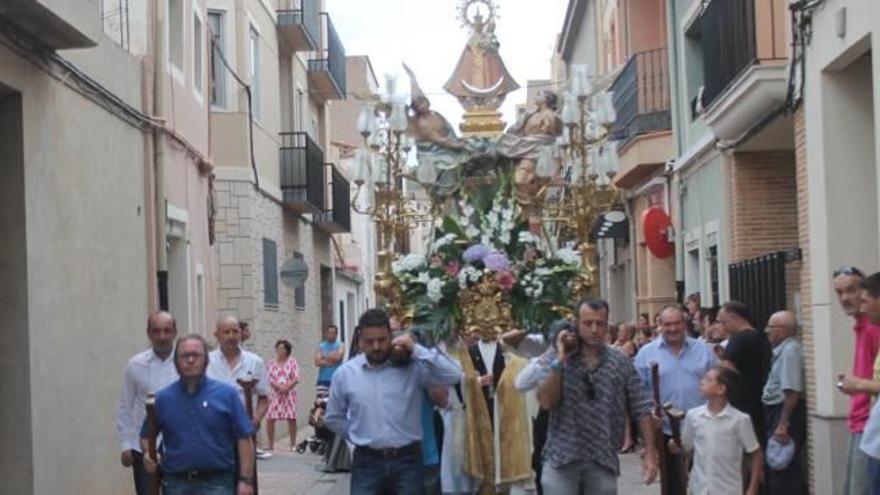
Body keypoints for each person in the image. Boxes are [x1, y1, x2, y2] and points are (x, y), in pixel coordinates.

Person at [324, 308, 462, 495]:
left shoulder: (413, 367)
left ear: (391, 337)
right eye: (369, 341)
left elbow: (454, 375)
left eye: (381, 340)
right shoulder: (345, 374)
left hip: (408, 462)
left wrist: (416, 348)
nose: (376, 346)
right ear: (359, 341)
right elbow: (333, 418)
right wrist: (358, 433)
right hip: (367, 462)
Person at [537, 299, 658, 494]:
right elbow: (546, 402)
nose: (594, 329)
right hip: (562, 456)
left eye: (600, 323)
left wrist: (651, 454)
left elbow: (641, 407)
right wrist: (559, 360)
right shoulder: (557, 358)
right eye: (587, 323)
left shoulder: (620, 361)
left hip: (602, 457)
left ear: (607, 325)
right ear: (576, 323)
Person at [141, 334, 255, 495]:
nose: (190, 360)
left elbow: (244, 438)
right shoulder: (162, 399)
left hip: (218, 484)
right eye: (184, 356)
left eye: (196, 355)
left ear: (206, 360)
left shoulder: (227, 395)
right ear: (176, 362)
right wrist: (148, 452)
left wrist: (246, 480)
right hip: (175, 484)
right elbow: (146, 436)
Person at [634, 305, 716, 494]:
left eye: (676, 323)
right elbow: (638, 393)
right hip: (666, 429)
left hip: (701, 427)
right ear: (660, 325)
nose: (672, 329)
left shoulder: (703, 351)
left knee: (706, 484)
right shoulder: (646, 354)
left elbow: (717, 386)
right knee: (673, 486)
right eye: (667, 324)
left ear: (684, 324)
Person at [115, 311, 180, 495]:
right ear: (149, 333)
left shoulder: (185, 363)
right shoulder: (135, 365)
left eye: (167, 331)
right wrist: (126, 444)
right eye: (156, 331)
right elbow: (125, 406)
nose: (162, 336)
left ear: (175, 332)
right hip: (141, 446)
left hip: (177, 445)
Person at [674, 366, 763, 495]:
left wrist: (752, 487)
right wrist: (676, 445)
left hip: (728, 489)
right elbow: (685, 447)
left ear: (721, 389)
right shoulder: (693, 416)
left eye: (708, 379)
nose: (701, 382)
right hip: (699, 488)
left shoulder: (740, 420)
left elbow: (756, 453)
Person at [833, 266, 880, 495]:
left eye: (852, 290)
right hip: (861, 423)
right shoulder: (864, 326)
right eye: (839, 292)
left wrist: (858, 385)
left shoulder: (873, 328)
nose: (845, 298)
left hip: (869, 424)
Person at [207, 316, 271, 458]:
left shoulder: (255, 362)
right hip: (213, 431)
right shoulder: (207, 362)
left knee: (245, 473)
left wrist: (256, 419)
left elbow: (263, 397)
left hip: (244, 429)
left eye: (235, 331)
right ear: (217, 335)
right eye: (226, 332)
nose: (231, 336)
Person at [761, 311, 807, 493]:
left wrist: (783, 423)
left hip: (783, 413)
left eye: (770, 328)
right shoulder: (783, 351)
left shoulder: (790, 352)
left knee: (783, 463)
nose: (767, 332)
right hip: (776, 411)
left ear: (783, 330)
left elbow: (792, 391)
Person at [718, 301, 772, 447]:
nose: (722, 327)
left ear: (735, 318)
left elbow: (726, 371)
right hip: (759, 401)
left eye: (723, 322)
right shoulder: (760, 337)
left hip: (741, 402)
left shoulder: (738, 339)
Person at [266, 339, 299, 451]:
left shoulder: (292, 362)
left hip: (289, 394)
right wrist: (278, 387)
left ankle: (293, 444)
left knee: (291, 418)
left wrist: (287, 387)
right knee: (270, 418)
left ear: (287, 350)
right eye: (278, 348)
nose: (280, 350)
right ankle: (270, 445)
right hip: (275, 393)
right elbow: (269, 377)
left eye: (283, 348)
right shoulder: (271, 363)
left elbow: (296, 378)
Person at [315, 324, 345, 390]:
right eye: (329, 333)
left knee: (338, 400)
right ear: (326, 334)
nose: (331, 334)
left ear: (337, 334)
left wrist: (324, 356)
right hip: (323, 379)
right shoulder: (321, 346)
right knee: (322, 400)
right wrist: (331, 361)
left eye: (333, 333)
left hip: (337, 379)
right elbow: (317, 362)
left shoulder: (341, 345)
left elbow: (338, 357)